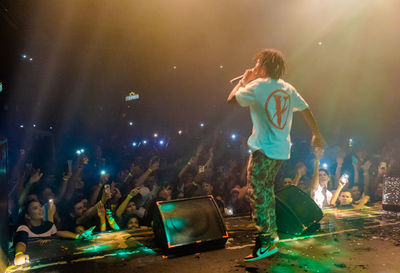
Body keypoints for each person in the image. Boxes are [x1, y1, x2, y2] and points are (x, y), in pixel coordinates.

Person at [227, 48, 324, 261]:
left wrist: (244, 79)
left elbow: (231, 99)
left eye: (257, 63)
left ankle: (266, 241)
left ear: (262, 65)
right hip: (280, 151)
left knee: (258, 193)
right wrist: (316, 134)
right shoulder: (288, 88)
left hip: (263, 150)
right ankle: (271, 234)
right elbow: (306, 109)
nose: (254, 67)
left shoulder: (256, 86)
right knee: (266, 192)